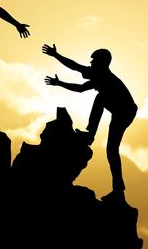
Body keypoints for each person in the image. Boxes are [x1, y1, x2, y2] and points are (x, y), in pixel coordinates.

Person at [42, 44, 137, 202]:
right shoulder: (99, 76)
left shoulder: (103, 76)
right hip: (121, 111)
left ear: (101, 62)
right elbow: (79, 82)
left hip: (124, 111)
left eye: (93, 61)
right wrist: (59, 79)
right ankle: (118, 189)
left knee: (111, 148)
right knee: (111, 149)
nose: (90, 63)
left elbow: (76, 70)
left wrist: (56, 57)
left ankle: (91, 134)